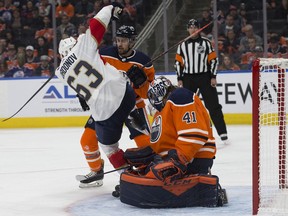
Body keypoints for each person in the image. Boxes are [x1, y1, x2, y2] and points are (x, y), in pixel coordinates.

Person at [55, 3, 148, 188]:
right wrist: (110, 8)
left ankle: (127, 177)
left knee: (109, 147)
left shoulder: (60, 73)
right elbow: (96, 25)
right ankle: (153, 163)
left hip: (105, 112)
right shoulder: (83, 45)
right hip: (125, 93)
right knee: (140, 132)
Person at [121, 76, 224, 207]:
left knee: (154, 174)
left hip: (192, 160)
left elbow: (195, 134)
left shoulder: (180, 96)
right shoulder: (163, 111)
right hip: (176, 159)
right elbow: (165, 142)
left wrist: (178, 160)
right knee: (145, 172)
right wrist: (149, 155)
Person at [76, 24, 155, 188]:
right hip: (106, 105)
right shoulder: (104, 54)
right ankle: (97, 171)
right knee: (87, 140)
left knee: (146, 144)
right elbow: (91, 73)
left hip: (133, 105)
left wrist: (141, 82)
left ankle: (150, 174)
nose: (120, 44)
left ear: (133, 41)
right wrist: (83, 91)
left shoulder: (144, 62)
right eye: (118, 40)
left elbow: (149, 93)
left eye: (124, 41)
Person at [174, 19, 230, 145]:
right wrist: (180, 78)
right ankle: (184, 131)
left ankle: (222, 132)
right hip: (188, 78)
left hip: (204, 77)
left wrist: (213, 76)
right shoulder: (182, 45)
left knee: (213, 105)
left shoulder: (206, 43)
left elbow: (213, 61)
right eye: (190, 27)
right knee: (186, 106)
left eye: (195, 27)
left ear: (199, 29)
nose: (193, 29)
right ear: (187, 29)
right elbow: (178, 63)